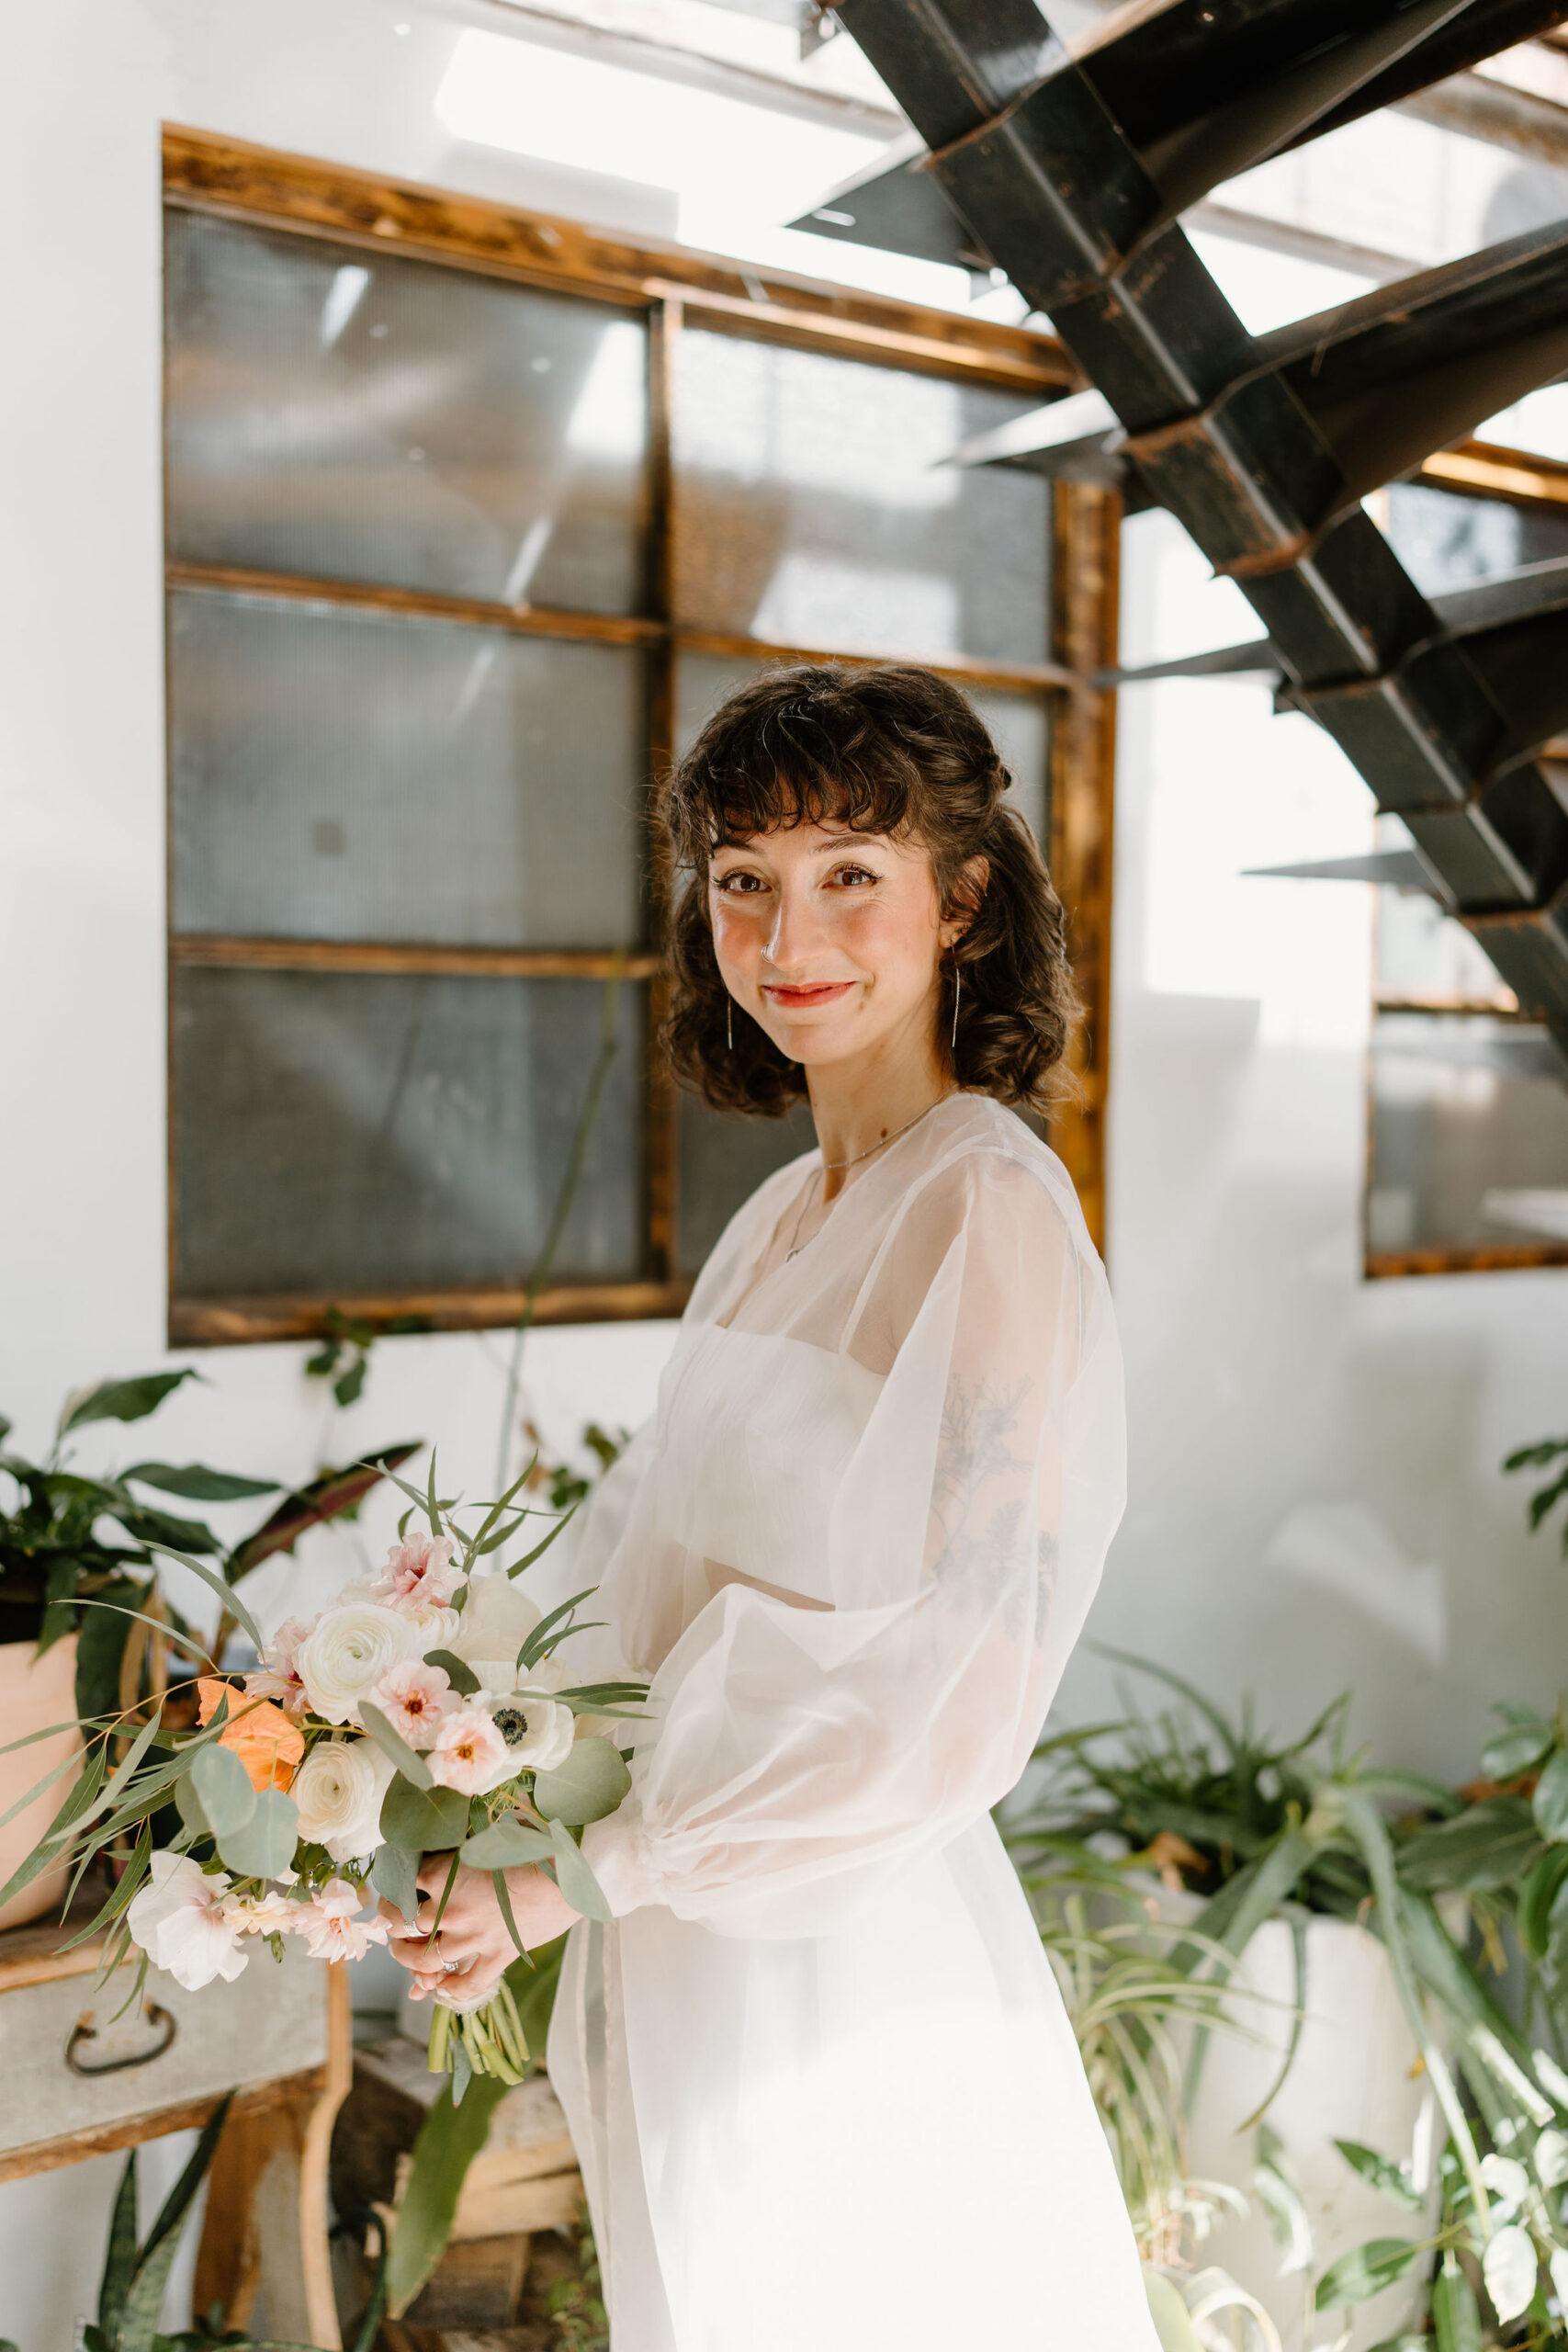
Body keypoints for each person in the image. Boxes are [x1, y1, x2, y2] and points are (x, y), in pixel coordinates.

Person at [382, 663, 1160, 2349]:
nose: (787, 932)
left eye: (848, 876)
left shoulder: (989, 1217)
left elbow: (959, 1698)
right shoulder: (779, 1225)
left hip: (844, 1959)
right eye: (745, 881)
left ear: (961, 898)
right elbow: (643, 1601)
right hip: (691, 1941)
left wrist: (601, 1871)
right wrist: (465, 1783)